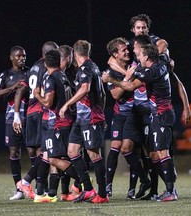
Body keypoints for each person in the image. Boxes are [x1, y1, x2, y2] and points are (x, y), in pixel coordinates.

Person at [102, 44, 178, 202]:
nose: (138, 57)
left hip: (161, 114)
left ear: (148, 58)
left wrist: (111, 80)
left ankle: (171, 189)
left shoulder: (151, 71)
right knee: (154, 154)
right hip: (159, 114)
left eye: (141, 55)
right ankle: (161, 187)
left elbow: (129, 85)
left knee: (161, 153)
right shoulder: (161, 64)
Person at [59, 40, 109, 204]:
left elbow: (85, 89)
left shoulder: (86, 68)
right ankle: (88, 189)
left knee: (94, 154)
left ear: (74, 53)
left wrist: (68, 104)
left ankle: (102, 194)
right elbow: (102, 94)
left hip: (91, 118)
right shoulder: (93, 66)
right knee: (72, 151)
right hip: (82, 119)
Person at [31, 49, 81, 202]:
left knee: (51, 158)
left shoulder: (51, 77)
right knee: (59, 157)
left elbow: (48, 102)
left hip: (58, 123)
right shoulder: (63, 75)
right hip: (67, 120)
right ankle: (52, 194)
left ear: (46, 63)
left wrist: (37, 94)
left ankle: (82, 180)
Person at [104, 37, 150, 199]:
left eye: (127, 48)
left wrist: (127, 75)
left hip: (135, 115)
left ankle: (133, 189)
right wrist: (126, 77)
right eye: (123, 50)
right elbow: (116, 94)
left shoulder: (134, 65)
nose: (127, 51)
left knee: (132, 151)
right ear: (116, 54)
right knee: (115, 147)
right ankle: (108, 186)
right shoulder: (111, 72)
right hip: (119, 115)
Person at [16, 41, 59, 200]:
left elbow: (22, 89)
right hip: (42, 111)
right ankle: (32, 184)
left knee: (41, 152)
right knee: (47, 152)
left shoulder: (33, 67)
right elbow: (45, 92)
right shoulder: (46, 68)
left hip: (30, 112)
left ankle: (41, 190)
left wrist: (17, 114)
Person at [0, 45, 29, 200]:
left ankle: (41, 188)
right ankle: (18, 189)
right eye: (19, 56)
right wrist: (11, 88)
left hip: (31, 117)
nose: (22, 58)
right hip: (12, 119)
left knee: (35, 151)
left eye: (24, 55)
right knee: (14, 151)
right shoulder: (5, 75)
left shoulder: (30, 72)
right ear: (12, 57)